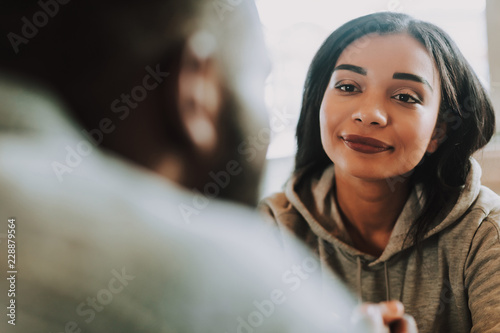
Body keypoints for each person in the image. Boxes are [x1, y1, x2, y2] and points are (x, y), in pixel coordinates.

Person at [0, 1, 415, 333]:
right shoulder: (238, 268)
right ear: (195, 88)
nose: (370, 114)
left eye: (406, 96)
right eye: (261, 80)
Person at [260, 11, 500, 333]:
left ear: (437, 133)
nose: (369, 114)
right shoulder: (269, 230)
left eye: (405, 96)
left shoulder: (486, 233)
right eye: (347, 86)